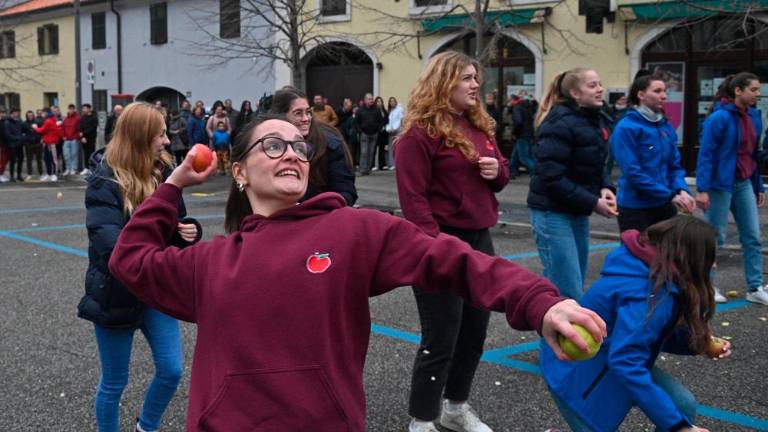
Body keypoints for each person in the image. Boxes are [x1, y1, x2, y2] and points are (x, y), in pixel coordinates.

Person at [107, 113, 607, 431]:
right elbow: (129, 260)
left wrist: (540, 301)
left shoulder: (355, 232)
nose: (293, 154)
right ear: (239, 171)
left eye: (300, 147)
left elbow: (455, 259)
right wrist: (172, 184)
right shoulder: (211, 262)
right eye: (273, 145)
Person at [395, 51, 510, 432]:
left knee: (475, 330)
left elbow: (501, 176)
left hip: (480, 238)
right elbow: (413, 201)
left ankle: (455, 408)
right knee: (441, 335)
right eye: (466, 78)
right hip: (438, 242)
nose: (476, 84)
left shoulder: (478, 126)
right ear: (443, 83)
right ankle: (422, 419)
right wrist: (436, 247)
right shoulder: (417, 135)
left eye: (475, 77)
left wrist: (497, 172)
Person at [77, 102, 202, 432]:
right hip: (115, 292)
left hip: (154, 290)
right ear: (140, 137)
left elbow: (176, 223)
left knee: (171, 370)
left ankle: (145, 426)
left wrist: (187, 231)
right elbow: (109, 244)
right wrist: (158, 247)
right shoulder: (105, 181)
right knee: (115, 382)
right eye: (160, 134)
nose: (166, 141)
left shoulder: (163, 174)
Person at [540, 216, 728, 432]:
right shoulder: (651, 295)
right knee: (675, 414)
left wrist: (699, 343)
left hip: (606, 359)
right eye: (711, 257)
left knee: (682, 404)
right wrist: (677, 426)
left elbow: (647, 334)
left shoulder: (646, 269)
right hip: (574, 373)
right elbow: (626, 361)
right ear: (692, 259)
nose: (713, 264)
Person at [527, 67, 618, 300]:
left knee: (573, 285)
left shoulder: (593, 119)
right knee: (566, 291)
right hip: (552, 213)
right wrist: (593, 202)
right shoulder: (559, 123)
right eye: (592, 85)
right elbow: (551, 177)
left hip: (576, 209)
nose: (600, 89)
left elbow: (595, 164)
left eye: (599, 83)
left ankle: (565, 336)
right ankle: (554, 337)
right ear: (575, 93)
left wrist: (605, 188)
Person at [696, 72, 768, 306]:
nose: (758, 94)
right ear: (738, 91)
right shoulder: (719, 118)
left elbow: (753, 154)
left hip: (744, 182)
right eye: (754, 90)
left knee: (752, 237)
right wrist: (703, 188)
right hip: (719, 184)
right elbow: (706, 154)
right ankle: (707, 286)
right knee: (715, 237)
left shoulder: (754, 116)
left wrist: (758, 185)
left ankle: (755, 287)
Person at [610, 74, 695, 233]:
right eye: (657, 91)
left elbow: (674, 166)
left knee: (666, 255)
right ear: (641, 95)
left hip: (664, 205)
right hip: (636, 208)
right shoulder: (626, 127)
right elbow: (633, 172)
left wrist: (681, 189)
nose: (663, 96)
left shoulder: (664, 125)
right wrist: (670, 195)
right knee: (638, 256)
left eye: (664, 91)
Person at [269, 86, 357, 205]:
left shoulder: (329, 144)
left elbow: (345, 194)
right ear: (280, 115)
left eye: (308, 112)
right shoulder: (266, 142)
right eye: (298, 113)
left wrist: (311, 209)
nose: (306, 119)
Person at [356, 93, 387, 175]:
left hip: (374, 134)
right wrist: (360, 131)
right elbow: (356, 122)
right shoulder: (360, 110)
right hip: (364, 134)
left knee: (371, 152)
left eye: (372, 99)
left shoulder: (376, 109)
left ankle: (368, 169)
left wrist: (378, 129)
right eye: (369, 99)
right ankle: (362, 170)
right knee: (364, 152)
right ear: (365, 100)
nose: (371, 100)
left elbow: (381, 121)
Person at [508, 92, 537, 177]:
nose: (509, 102)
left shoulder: (517, 108)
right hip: (528, 134)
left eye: (509, 100)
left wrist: (514, 133)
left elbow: (518, 122)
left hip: (521, 135)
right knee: (515, 155)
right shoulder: (526, 106)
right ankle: (511, 171)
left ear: (513, 100)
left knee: (524, 157)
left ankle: (536, 172)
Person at [32, 107, 62, 182]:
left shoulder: (49, 121)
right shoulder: (49, 120)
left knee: (53, 159)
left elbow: (41, 130)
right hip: (47, 142)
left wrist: (35, 127)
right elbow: (46, 132)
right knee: (47, 159)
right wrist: (43, 138)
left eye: (43, 113)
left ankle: (54, 174)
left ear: (46, 113)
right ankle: (49, 174)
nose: (42, 114)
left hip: (52, 143)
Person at [3, 108, 27, 182]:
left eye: (18, 113)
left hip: (19, 144)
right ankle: (12, 176)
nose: (17, 114)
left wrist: (24, 136)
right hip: (12, 145)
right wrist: (18, 138)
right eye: (16, 113)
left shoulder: (19, 121)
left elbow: (24, 129)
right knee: (12, 161)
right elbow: (7, 135)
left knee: (20, 160)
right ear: (12, 113)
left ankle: (19, 175)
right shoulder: (7, 122)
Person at [60, 104, 81, 176]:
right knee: (66, 155)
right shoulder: (65, 119)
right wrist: (63, 136)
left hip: (74, 139)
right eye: (69, 109)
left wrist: (77, 136)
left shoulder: (77, 118)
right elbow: (62, 128)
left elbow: (79, 128)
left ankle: (73, 169)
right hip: (66, 139)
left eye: (72, 109)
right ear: (68, 110)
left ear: (74, 110)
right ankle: (67, 168)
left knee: (74, 155)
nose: (71, 110)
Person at [23, 110, 43, 181]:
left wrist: (41, 139)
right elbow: (23, 133)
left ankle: (41, 174)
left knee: (39, 160)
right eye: (28, 116)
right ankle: (29, 174)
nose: (30, 117)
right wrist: (25, 140)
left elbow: (42, 131)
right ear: (27, 116)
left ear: (33, 115)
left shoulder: (38, 122)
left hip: (37, 143)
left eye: (31, 115)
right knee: (29, 160)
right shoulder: (24, 124)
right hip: (29, 144)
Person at [79, 103, 99, 176]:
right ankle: (86, 168)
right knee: (85, 153)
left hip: (91, 138)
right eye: (83, 108)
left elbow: (92, 128)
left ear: (89, 109)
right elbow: (80, 127)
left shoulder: (94, 118)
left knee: (91, 153)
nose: (83, 110)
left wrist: (84, 134)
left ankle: (92, 168)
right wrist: (82, 136)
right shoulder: (82, 117)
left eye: (85, 108)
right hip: (84, 139)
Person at [385, 96, 403, 169]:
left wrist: (396, 128)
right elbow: (387, 121)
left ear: (395, 102)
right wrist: (388, 128)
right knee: (391, 147)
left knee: (397, 147)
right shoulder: (389, 111)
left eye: (393, 101)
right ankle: (392, 164)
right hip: (390, 131)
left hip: (397, 131)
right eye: (390, 101)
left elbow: (400, 119)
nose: (392, 102)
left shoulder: (399, 109)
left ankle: (398, 163)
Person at [373, 96, 389, 171]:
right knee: (374, 149)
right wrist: (379, 127)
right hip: (376, 132)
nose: (379, 103)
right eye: (378, 102)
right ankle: (373, 165)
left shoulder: (384, 111)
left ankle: (382, 165)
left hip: (384, 132)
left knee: (382, 149)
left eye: (380, 101)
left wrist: (385, 127)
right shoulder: (374, 111)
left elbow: (387, 121)